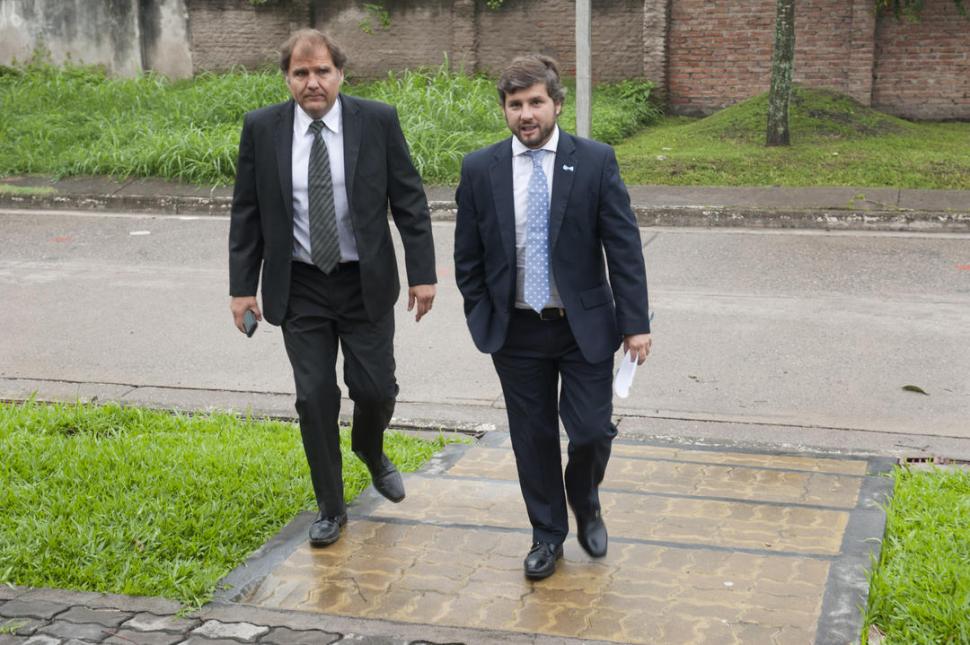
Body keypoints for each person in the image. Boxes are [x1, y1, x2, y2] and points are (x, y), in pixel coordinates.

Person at [228, 29, 436, 547]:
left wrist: (422, 273)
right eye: (301, 73)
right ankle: (331, 508)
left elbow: (409, 200)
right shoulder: (262, 128)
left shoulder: (377, 121)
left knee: (375, 390)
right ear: (287, 79)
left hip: (364, 282)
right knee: (314, 396)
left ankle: (369, 446)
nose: (312, 82)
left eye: (322, 71)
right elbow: (247, 211)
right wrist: (242, 287)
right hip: (299, 284)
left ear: (340, 73)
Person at [454, 54, 651, 580]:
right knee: (533, 437)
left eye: (536, 102)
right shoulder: (480, 168)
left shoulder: (595, 161)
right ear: (504, 109)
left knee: (590, 432)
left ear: (557, 104)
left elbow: (623, 247)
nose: (526, 114)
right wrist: (481, 311)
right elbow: (467, 256)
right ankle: (546, 535)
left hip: (583, 327)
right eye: (515, 104)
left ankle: (585, 500)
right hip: (515, 330)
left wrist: (636, 323)